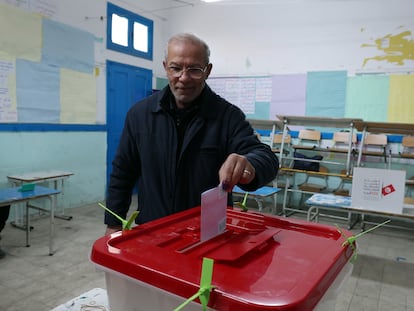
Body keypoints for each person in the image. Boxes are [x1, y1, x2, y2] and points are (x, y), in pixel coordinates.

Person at [104, 33, 279, 234]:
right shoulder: (140, 115)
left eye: (194, 69)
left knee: (208, 267)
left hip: (208, 235)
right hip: (152, 231)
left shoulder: (227, 116)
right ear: (165, 67)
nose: (184, 78)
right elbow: (123, 172)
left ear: (208, 70)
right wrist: (113, 222)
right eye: (176, 68)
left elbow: (267, 158)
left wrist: (250, 165)